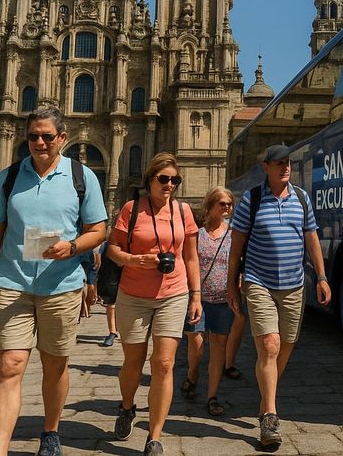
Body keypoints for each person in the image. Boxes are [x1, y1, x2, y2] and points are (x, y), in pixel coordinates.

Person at [0, 107, 108, 456]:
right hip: (13, 282)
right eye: (33, 136)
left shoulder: (82, 177)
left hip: (61, 286)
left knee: (55, 363)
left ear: (62, 138)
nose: (39, 142)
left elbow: (98, 230)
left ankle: (51, 431)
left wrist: (73, 247)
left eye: (47, 136)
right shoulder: (9, 177)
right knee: (9, 364)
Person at [227, 144, 331, 448]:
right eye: (279, 163)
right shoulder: (252, 199)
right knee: (270, 345)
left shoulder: (302, 198)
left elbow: (312, 238)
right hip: (259, 283)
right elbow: (236, 250)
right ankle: (270, 415)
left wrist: (322, 277)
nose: (285, 167)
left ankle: (264, 399)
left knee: (285, 346)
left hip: (294, 285)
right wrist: (232, 285)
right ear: (266, 167)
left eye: (287, 162)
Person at [108, 152, 202, 456]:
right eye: (164, 179)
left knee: (164, 363)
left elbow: (190, 256)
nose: (170, 184)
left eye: (175, 180)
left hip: (173, 294)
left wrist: (196, 295)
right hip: (133, 295)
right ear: (150, 180)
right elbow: (112, 249)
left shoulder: (183, 211)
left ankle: (154, 436)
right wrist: (134, 260)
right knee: (133, 363)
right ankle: (126, 407)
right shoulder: (131, 209)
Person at [181, 186, 244, 416]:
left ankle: (212, 396)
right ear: (211, 205)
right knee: (196, 345)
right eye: (222, 203)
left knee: (218, 348)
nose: (226, 207)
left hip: (223, 300)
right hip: (198, 299)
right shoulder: (197, 235)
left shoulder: (234, 234)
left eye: (229, 203)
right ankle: (192, 374)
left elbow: (240, 262)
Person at [80, 240, 101, 319]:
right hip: (90, 257)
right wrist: (98, 260)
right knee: (90, 283)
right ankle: (87, 308)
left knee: (84, 284)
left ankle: (84, 308)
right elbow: (97, 249)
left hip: (83, 254)